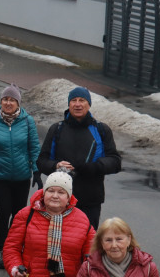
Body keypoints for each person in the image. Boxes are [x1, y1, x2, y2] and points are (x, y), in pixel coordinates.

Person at [38, 86, 121, 229]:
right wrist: (55, 166)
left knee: (87, 245)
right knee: (60, 244)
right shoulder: (57, 129)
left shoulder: (101, 130)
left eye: (82, 100)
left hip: (90, 199)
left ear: (89, 104)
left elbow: (115, 162)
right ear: (69, 104)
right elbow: (41, 161)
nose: (77, 104)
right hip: (59, 201)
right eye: (74, 100)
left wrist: (93, 167)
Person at [0, 84, 41, 269]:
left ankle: (15, 249)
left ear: (18, 102)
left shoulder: (28, 122)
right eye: (5, 99)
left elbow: (34, 148)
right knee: (3, 212)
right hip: (0, 178)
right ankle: (2, 250)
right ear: (1, 101)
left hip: (22, 177)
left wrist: (36, 171)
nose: (8, 102)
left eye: (12, 99)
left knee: (19, 215)